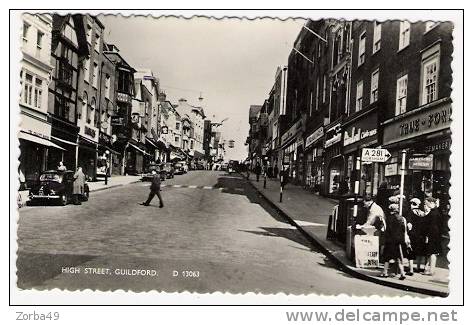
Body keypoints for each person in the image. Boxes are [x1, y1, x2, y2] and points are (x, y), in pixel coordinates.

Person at [380, 203, 407, 280]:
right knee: (398, 258)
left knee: (387, 257)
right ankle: (402, 273)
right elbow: (403, 230)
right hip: (398, 241)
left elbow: (386, 230)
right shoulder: (401, 218)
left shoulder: (389, 219)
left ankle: (385, 272)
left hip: (390, 240)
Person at [406, 198, 427, 273]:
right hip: (421, 235)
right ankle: (418, 267)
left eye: (412, 203)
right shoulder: (422, 213)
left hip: (412, 235)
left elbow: (409, 225)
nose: (411, 205)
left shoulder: (410, 213)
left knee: (410, 251)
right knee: (420, 251)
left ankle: (411, 269)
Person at [423, 196, 442, 275]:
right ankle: (427, 269)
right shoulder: (436, 211)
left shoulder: (433, 213)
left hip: (432, 235)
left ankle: (431, 271)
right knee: (431, 252)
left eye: (426, 203)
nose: (426, 205)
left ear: (431, 203)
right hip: (436, 235)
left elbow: (430, 225)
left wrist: (427, 235)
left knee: (432, 253)